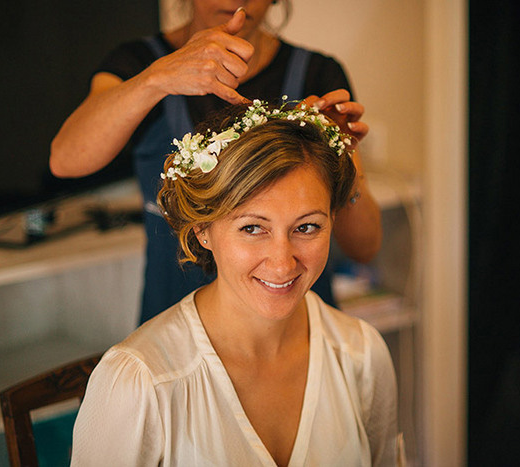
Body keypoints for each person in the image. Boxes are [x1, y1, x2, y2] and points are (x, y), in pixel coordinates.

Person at [70, 101, 402, 466]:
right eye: (252, 228)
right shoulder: (141, 382)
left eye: (306, 227)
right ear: (203, 230)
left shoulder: (361, 356)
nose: (282, 263)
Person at [50, 2, 382, 325]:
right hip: (176, 316)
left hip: (297, 323)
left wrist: (341, 155)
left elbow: (365, 247)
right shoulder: (136, 63)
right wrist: (156, 79)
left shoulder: (317, 74)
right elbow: (65, 160)